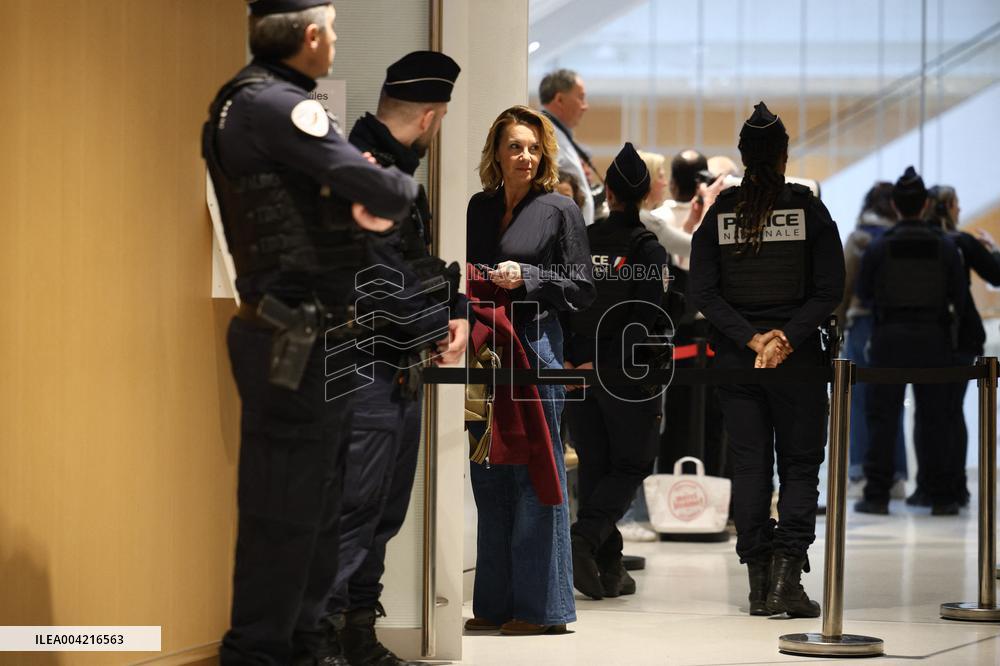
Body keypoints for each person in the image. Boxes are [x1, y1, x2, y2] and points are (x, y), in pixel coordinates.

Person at [202, 2, 419, 664]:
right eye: (333, 29)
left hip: (309, 337)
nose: (335, 41)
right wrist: (380, 188)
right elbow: (387, 191)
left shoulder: (252, 103)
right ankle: (259, 654)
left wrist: (353, 196)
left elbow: (335, 197)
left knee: (317, 515)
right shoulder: (276, 105)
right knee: (285, 516)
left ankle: (301, 647)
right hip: (293, 340)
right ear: (310, 35)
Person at [321, 51, 468, 666]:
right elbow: (379, 278)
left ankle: (356, 634)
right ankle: (321, 641)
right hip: (358, 363)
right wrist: (439, 322)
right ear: (430, 118)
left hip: (394, 365)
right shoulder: (363, 170)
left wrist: (455, 307)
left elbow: (415, 264)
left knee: (382, 511)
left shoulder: (394, 175)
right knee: (351, 509)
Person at [689, 101, 845, 618]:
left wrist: (752, 340)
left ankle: (759, 584)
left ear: (742, 155)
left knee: (750, 467)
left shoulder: (721, 213)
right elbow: (829, 290)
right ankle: (786, 581)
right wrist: (785, 339)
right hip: (798, 363)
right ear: (783, 155)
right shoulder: (807, 209)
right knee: (799, 466)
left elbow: (704, 293)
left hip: (737, 361)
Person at [465, 105, 595, 635]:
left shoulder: (559, 208)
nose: (525, 156)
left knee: (535, 471)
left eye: (534, 148)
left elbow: (583, 287)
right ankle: (495, 604)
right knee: (487, 468)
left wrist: (531, 276)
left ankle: (542, 610)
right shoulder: (478, 207)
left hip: (537, 343)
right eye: (515, 146)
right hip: (485, 348)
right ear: (497, 152)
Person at [562, 143, 668, 599]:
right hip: (623, 376)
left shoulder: (581, 240)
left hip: (577, 371)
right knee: (632, 463)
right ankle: (583, 540)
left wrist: (574, 358)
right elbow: (645, 317)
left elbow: (565, 302)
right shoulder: (648, 249)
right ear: (644, 195)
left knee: (596, 465)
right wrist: (605, 363)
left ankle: (610, 568)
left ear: (607, 192)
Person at [855, 167, 966, 516]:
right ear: (925, 205)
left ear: (895, 205)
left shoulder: (878, 247)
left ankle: (876, 495)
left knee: (882, 419)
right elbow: (959, 294)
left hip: (889, 338)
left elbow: (863, 292)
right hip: (934, 339)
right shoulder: (945, 246)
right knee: (936, 419)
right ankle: (942, 497)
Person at [917, 185, 1000, 508]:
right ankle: (954, 487)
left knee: (927, 413)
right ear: (948, 206)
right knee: (952, 413)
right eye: (957, 203)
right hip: (960, 338)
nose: (961, 209)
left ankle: (927, 485)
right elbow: (996, 275)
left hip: (922, 338)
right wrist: (993, 250)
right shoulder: (962, 242)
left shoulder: (914, 241)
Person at [836, 183, 907, 496]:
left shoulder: (860, 239)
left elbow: (844, 287)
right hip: (898, 326)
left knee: (861, 402)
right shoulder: (903, 238)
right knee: (894, 402)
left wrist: (836, 328)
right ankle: (897, 475)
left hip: (863, 323)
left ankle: (860, 473)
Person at [539, 69, 603, 224]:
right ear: (560, 100)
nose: (585, 106)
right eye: (581, 97)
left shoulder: (557, 134)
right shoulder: (545, 135)